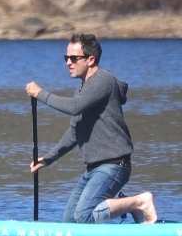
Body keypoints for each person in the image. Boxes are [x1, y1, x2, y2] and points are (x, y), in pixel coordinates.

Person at [25, 33, 157, 224]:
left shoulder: (103, 81)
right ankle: (121, 203)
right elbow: (74, 132)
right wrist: (48, 159)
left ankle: (139, 202)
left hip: (114, 165)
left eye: (73, 58)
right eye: (66, 58)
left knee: (84, 216)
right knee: (71, 221)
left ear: (91, 59)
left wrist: (40, 94)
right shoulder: (83, 89)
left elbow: (74, 107)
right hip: (93, 169)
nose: (68, 63)